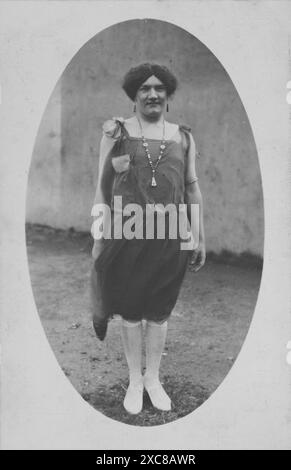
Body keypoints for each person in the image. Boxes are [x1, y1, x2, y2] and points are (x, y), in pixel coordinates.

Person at [91, 63, 206, 415]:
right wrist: (98, 235)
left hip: (171, 235)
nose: (152, 94)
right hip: (127, 234)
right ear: (134, 94)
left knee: (158, 311)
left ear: (168, 94)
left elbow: (191, 187)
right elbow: (102, 186)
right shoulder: (116, 132)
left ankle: (153, 378)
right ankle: (134, 380)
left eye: (159, 88)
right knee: (128, 308)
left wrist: (198, 236)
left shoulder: (183, 136)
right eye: (144, 88)